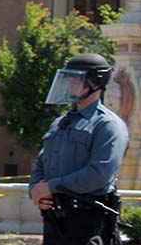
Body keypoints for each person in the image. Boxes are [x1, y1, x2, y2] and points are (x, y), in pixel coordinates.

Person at [29, 53, 128, 245]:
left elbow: (99, 174)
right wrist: (35, 190)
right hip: (54, 220)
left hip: (87, 223)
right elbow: (42, 162)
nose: (70, 84)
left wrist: (50, 187)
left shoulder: (107, 125)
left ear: (95, 82)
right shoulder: (59, 123)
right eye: (68, 79)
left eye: (76, 79)